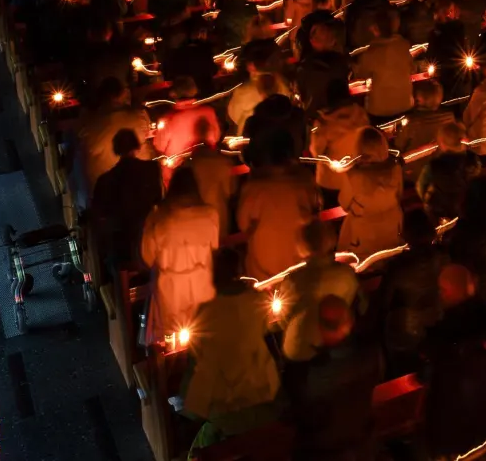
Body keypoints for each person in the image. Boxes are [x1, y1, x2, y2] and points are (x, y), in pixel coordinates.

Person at [180, 249, 281, 442]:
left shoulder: (206, 311)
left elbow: (197, 359)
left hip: (226, 402)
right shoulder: (256, 299)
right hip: (262, 390)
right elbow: (266, 331)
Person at [420, 264, 486, 457]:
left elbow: (433, 374)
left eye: (441, 290)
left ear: (447, 292)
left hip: (458, 422)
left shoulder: (446, 336)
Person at [281, 294, 383, 460]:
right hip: (363, 447)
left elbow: (287, 414)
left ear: (320, 327)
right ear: (350, 322)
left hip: (323, 454)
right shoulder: (370, 355)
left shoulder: (306, 375)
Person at [140, 167, 220, 346]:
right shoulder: (210, 214)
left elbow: (147, 257)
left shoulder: (158, 216)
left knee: (170, 341)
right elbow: (214, 246)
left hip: (170, 294)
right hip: (202, 289)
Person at [281, 221, 362, 362]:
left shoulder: (293, 281)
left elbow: (285, 319)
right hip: (339, 344)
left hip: (303, 350)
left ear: (302, 246)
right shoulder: (347, 274)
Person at [376, 208, 445, 374]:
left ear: (406, 233)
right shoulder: (444, 255)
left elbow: (382, 303)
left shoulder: (398, 266)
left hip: (405, 333)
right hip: (437, 322)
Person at [235, 144, 319, 281]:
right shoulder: (302, 185)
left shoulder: (253, 189)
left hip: (262, 264)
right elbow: (312, 217)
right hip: (296, 261)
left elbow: (244, 225)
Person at [90, 129, 164, 273]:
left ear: (116, 149)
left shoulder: (105, 180)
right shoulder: (152, 169)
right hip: (149, 238)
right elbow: (159, 199)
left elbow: (99, 215)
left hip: (121, 246)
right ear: (137, 146)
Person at [335, 127, 403, 260]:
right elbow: (399, 195)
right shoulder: (395, 168)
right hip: (392, 227)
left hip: (363, 234)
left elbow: (344, 204)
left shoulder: (353, 175)